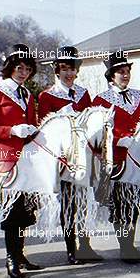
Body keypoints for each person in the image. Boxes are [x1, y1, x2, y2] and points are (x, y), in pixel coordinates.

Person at [0, 44, 43, 278]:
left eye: (27, 68)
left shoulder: (27, 94)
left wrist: (35, 130)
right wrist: (12, 130)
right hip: (5, 157)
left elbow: (32, 123)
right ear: (10, 68)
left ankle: (20, 253)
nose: (23, 72)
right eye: (19, 67)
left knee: (26, 210)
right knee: (11, 211)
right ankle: (11, 257)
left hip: (28, 158)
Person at [38, 46, 101, 264]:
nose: (69, 73)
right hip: (64, 159)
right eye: (64, 69)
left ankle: (85, 246)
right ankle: (71, 248)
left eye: (72, 69)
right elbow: (45, 130)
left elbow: (92, 124)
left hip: (84, 156)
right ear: (57, 70)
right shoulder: (47, 96)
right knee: (68, 204)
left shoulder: (84, 94)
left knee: (84, 202)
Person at [92, 52, 140, 263]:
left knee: (134, 202)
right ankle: (125, 247)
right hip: (116, 158)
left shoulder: (139, 96)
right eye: (120, 72)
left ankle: (130, 244)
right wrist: (119, 139)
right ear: (111, 76)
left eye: (127, 72)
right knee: (120, 203)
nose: (125, 75)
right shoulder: (100, 100)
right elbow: (98, 130)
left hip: (138, 157)